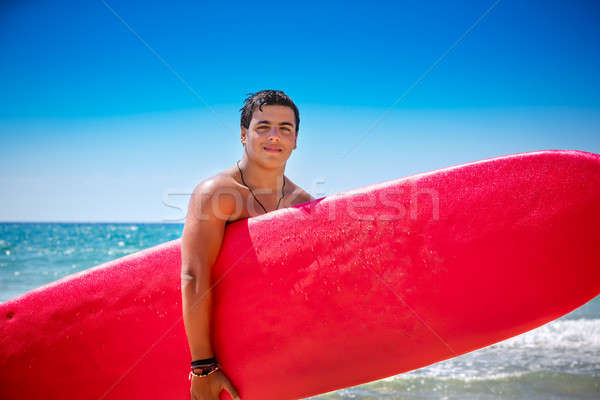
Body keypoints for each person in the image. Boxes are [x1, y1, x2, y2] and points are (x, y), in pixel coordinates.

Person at [180, 90, 315, 400]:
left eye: (285, 129)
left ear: (295, 140)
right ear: (244, 134)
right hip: (216, 357)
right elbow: (193, 275)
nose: (274, 136)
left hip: (278, 355)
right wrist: (203, 366)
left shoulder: (304, 204)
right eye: (262, 127)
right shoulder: (218, 193)